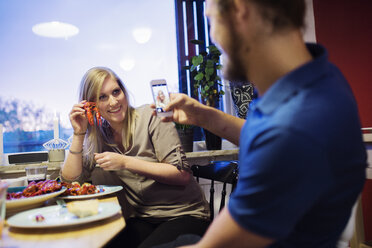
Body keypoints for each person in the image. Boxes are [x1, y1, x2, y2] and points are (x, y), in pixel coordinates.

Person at [156, 0, 368, 247]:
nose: (213, 37)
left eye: (211, 20)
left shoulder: (292, 130)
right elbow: (261, 135)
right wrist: (205, 116)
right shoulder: (317, 78)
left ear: (239, 9)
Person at [60, 67, 210, 248]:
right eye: (103, 97)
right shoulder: (99, 136)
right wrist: (79, 134)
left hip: (185, 214)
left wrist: (125, 162)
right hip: (143, 218)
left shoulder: (151, 116)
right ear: (91, 105)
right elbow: (70, 182)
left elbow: (182, 174)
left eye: (116, 92)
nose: (114, 101)